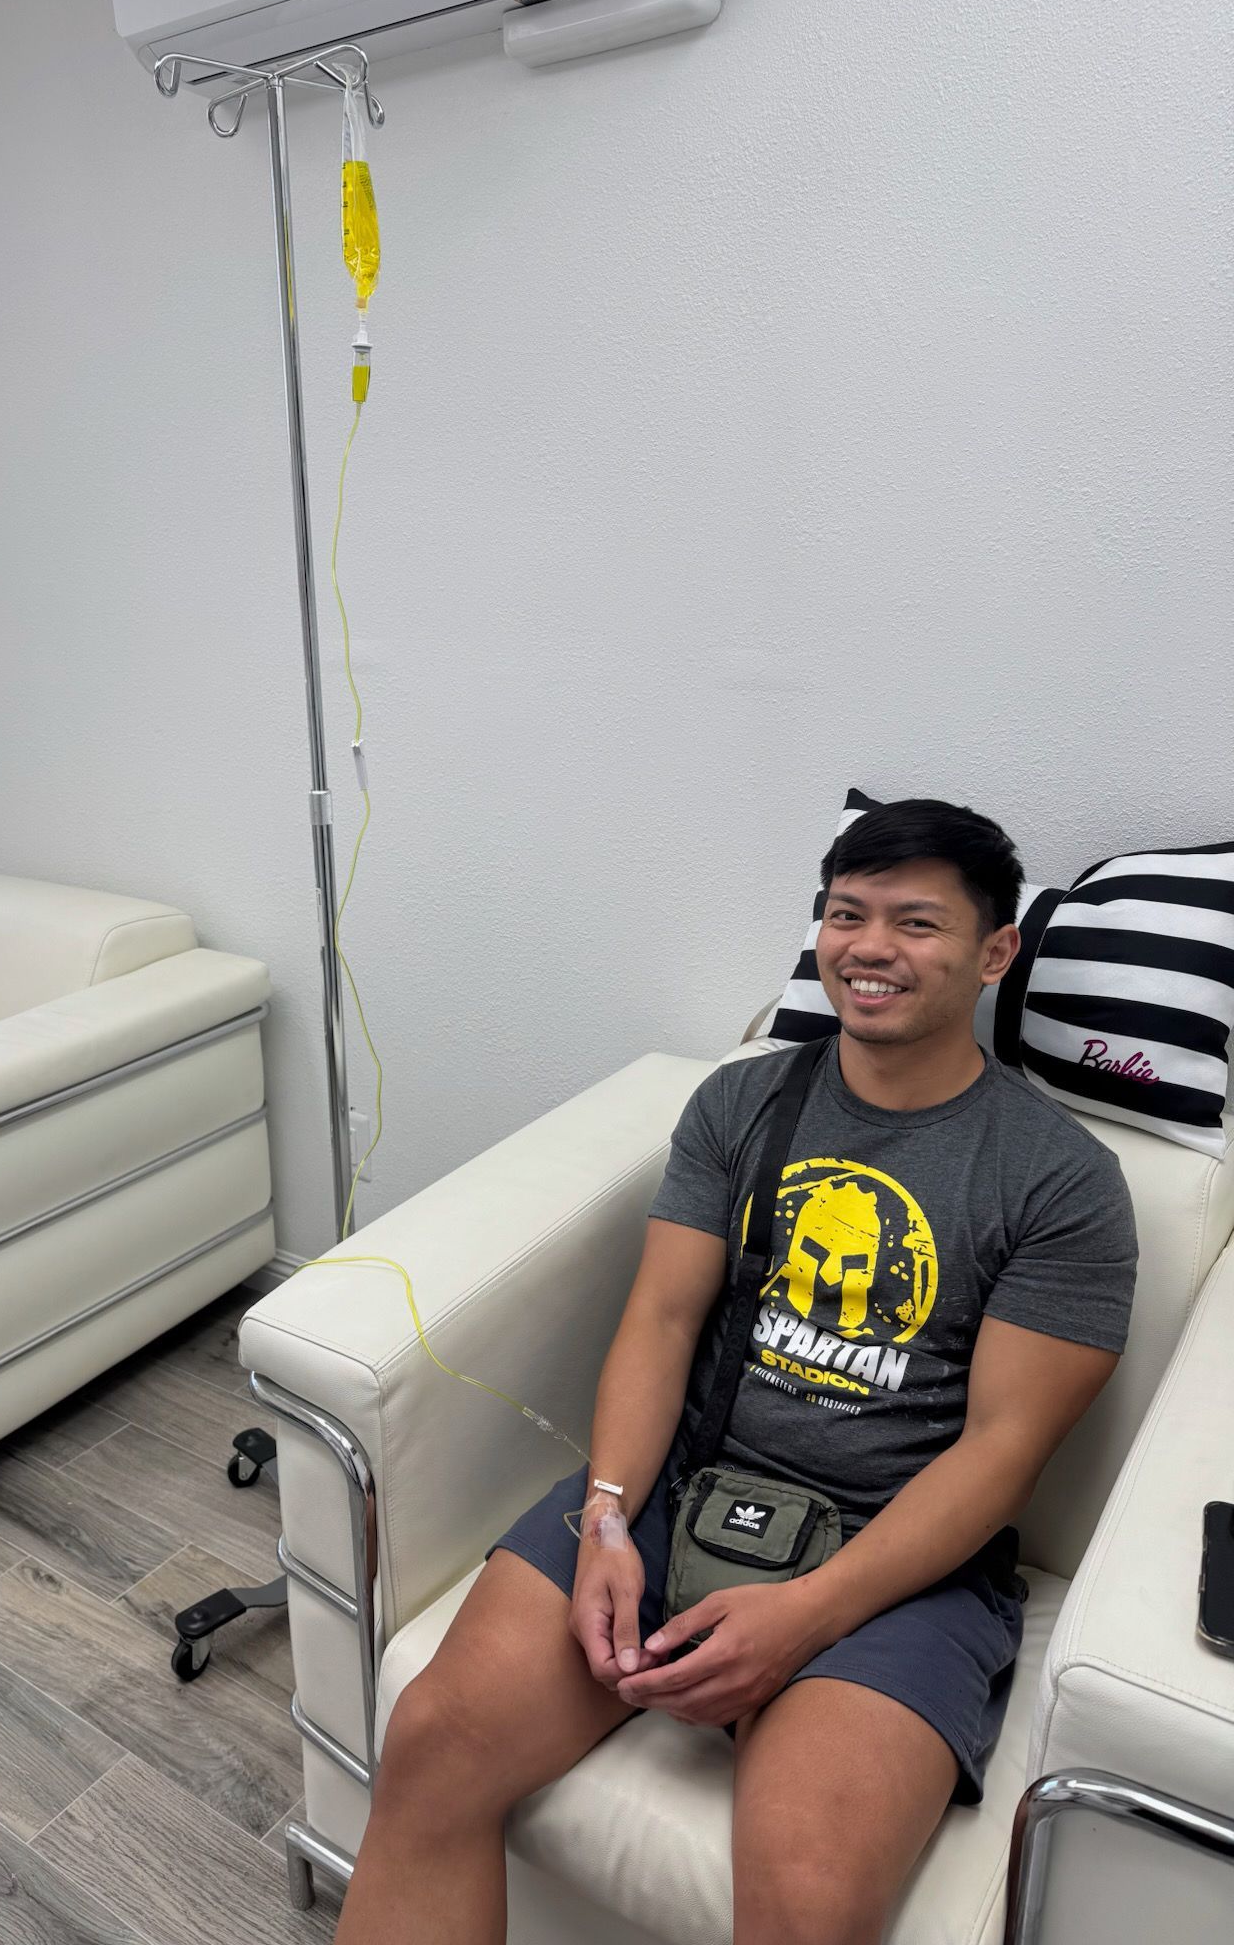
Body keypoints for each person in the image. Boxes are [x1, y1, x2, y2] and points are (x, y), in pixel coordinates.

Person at [332, 798, 1138, 1945]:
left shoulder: (1061, 1180)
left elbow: (1003, 1454)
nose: (871, 947)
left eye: (917, 922)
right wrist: (608, 1515)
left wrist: (806, 1615)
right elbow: (660, 1321)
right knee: (431, 1740)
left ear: (995, 952)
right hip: (685, 1487)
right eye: (847, 914)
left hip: (897, 1557)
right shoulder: (744, 1101)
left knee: (807, 1901)